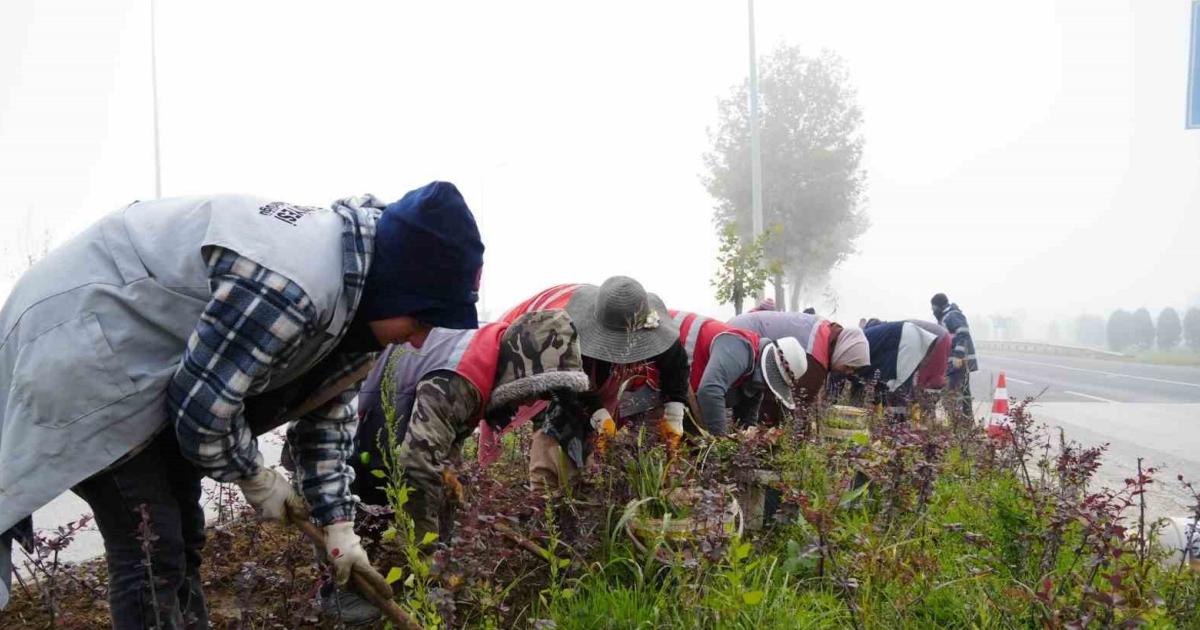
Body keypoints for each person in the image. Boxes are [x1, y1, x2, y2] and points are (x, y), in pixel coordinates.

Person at [0, 181, 485, 630]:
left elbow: (326, 419)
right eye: (421, 320)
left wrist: (339, 528)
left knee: (183, 537)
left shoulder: (357, 307)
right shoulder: (294, 284)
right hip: (86, 347)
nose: (419, 341)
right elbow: (202, 410)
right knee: (151, 545)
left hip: (150, 370)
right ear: (400, 286)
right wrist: (255, 476)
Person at [332, 310, 589, 625]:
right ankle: (345, 598)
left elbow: (441, 437)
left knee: (440, 500)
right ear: (523, 369)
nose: (530, 401)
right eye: (534, 389)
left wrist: (454, 485)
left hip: (384, 415)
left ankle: (439, 589)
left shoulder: (489, 345)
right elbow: (417, 464)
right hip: (355, 425)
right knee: (357, 516)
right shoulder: (464, 377)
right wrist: (427, 557)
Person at [497, 277, 690, 492]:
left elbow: (677, 367)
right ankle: (546, 496)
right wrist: (599, 416)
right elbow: (568, 389)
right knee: (553, 443)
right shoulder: (568, 338)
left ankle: (592, 484)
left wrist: (674, 417)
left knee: (601, 463)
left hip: (607, 390)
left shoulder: (656, 333)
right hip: (558, 386)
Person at [669, 311, 808, 435]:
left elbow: (747, 420)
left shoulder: (755, 378)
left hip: (678, 375)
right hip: (662, 340)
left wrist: (746, 442)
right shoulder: (740, 348)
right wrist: (720, 443)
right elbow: (710, 392)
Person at [727, 311, 870, 409]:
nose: (849, 372)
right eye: (849, 366)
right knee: (726, 394)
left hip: (741, 326)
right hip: (742, 337)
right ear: (843, 353)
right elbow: (799, 403)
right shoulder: (816, 357)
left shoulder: (826, 330)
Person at [851, 320, 940, 420]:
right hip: (914, 337)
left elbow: (876, 381)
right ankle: (900, 422)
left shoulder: (854, 352)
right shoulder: (865, 347)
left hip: (908, 338)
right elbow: (877, 380)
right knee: (898, 385)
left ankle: (898, 423)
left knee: (898, 387)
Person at [931, 293, 979, 422]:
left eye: (934, 308)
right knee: (963, 396)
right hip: (953, 363)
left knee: (952, 395)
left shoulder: (952, 315)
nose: (933, 311)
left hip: (958, 362)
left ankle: (958, 424)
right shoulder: (944, 318)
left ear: (939, 306)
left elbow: (963, 334)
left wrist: (958, 355)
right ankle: (966, 426)